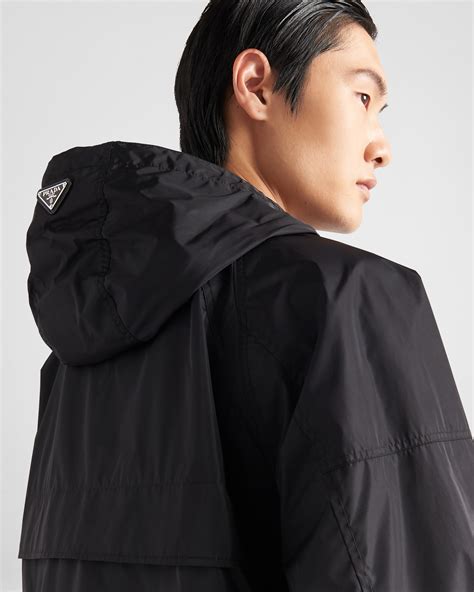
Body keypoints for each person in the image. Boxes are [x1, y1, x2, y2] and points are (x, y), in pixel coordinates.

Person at [19, 1, 474, 591]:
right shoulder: (346, 298)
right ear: (257, 85)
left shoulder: (75, 362)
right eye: (362, 97)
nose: (382, 147)